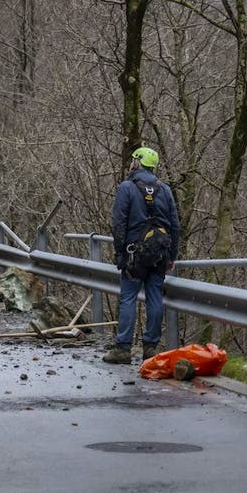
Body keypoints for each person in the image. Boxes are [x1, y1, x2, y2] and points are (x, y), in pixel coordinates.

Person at [104, 147, 181, 364]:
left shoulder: (127, 188)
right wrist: (172, 256)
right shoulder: (164, 190)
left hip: (133, 254)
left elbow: (119, 224)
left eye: (133, 159)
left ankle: (123, 349)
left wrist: (120, 254)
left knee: (128, 297)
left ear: (138, 162)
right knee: (155, 297)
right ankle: (150, 348)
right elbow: (175, 226)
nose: (131, 163)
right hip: (159, 253)